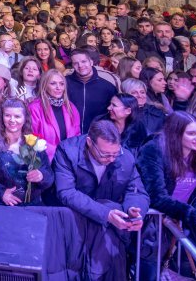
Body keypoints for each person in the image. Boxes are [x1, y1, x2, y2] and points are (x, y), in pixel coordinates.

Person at [53, 120, 149, 280]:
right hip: (74, 226)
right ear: (89, 142)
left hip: (108, 234)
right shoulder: (68, 151)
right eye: (105, 154)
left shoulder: (125, 158)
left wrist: (135, 211)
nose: (111, 159)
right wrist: (106, 214)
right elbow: (66, 192)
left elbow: (138, 191)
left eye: (115, 153)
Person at [137, 112, 196, 280]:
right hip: (152, 227)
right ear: (176, 133)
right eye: (191, 133)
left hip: (182, 225)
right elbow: (156, 196)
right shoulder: (154, 150)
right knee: (148, 272)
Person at [0, 98, 54, 206]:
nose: (12, 120)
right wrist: (1, 193)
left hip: (31, 206)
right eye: (7, 115)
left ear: (25, 118)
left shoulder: (33, 140)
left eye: (17, 116)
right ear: (1, 117)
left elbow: (49, 174)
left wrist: (41, 176)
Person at [28, 69, 81, 161]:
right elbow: (31, 137)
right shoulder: (35, 108)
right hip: (45, 161)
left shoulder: (71, 107)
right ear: (45, 85)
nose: (58, 87)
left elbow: (77, 135)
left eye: (61, 84)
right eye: (53, 83)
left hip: (69, 160)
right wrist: (56, 153)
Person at [66, 47, 117, 134]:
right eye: (76, 63)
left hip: (98, 134)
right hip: (70, 135)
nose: (80, 66)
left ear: (91, 62)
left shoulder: (107, 87)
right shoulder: (64, 83)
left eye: (83, 61)